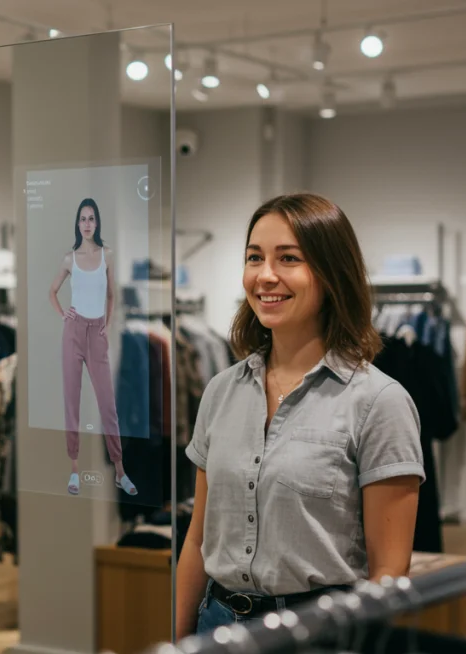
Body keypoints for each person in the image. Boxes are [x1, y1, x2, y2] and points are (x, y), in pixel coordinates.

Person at [176, 193, 424, 636]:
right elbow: (197, 539)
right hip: (215, 627)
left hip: (318, 633)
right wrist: (176, 640)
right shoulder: (220, 391)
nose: (266, 276)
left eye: (288, 258)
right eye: (255, 257)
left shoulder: (379, 402)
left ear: (331, 274)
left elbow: (388, 573)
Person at [48, 198, 136, 497]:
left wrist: (107, 326)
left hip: (96, 330)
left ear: (97, 223)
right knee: (71, 402)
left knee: (108, 406)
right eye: (82, 219)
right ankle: (74, 470)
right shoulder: (68, 259)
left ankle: (120, 470)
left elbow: (112, 296)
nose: (87, 223)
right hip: (73, 333)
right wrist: (64, 315)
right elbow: (52, 291)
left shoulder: (106, 255)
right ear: (78, 223)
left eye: (91, 218)